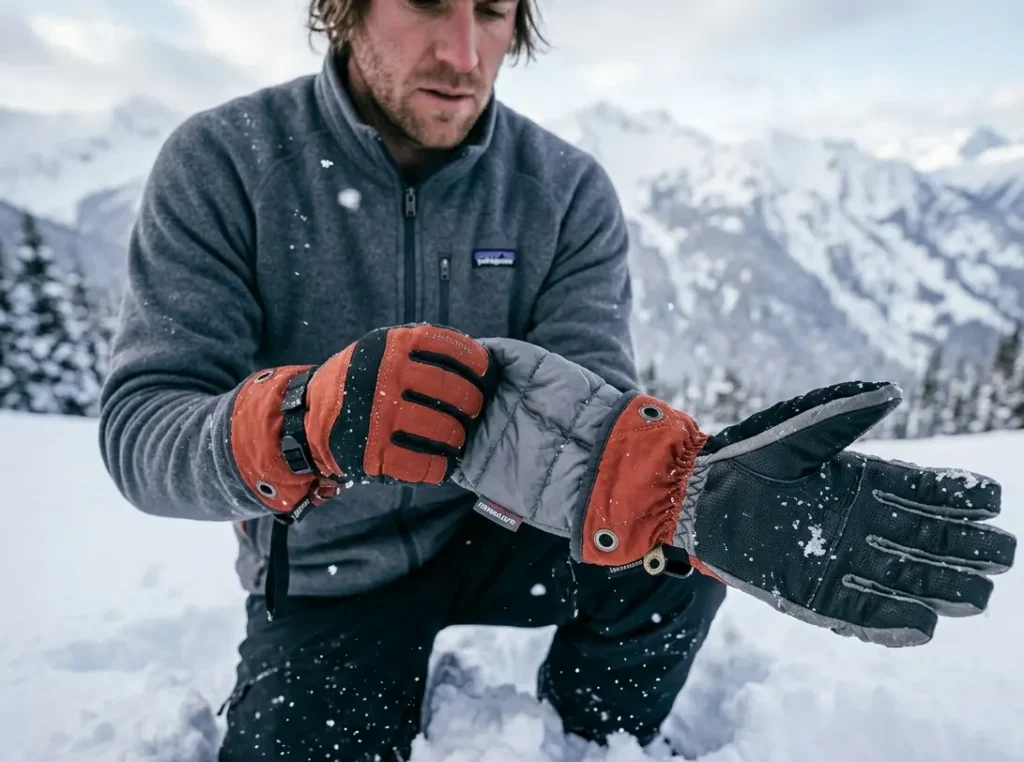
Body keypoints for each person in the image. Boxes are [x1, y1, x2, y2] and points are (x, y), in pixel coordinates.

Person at [97, 1, 727, 759]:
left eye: (493, 11)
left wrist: (711, 490)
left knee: (672, 542)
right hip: (334, 570)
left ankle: (589, 743)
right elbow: (142, 429)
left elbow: (595, 416)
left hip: (501, 532)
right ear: (343, 9)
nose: (463, 54)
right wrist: (299, 427)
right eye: (427, 1)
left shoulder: (561, 191)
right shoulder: (226, 162)